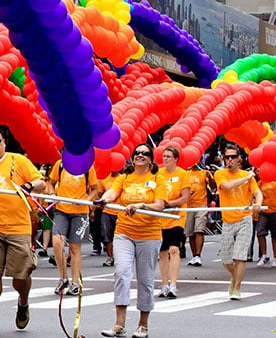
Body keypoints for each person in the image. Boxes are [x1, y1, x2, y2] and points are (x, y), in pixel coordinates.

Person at [0, 123, 44, 335]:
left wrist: (29, 187)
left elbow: (40, 182)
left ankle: (23, 302)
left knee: (21, 275)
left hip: (19, 227)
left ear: (4, 142)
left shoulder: (17, 161)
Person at [97, 143, 166, 338]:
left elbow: (160, 205)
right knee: (121, 273)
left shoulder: (157, 179)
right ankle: (119, 324)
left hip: (149, 235)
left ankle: (143, 325)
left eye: (145, 153)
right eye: (137, 153)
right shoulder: (124, 178)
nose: (140, 156)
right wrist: (105, 198)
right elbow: (112, 192)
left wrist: (142, 204)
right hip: (124, 232)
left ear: (150, 159)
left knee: (145, 279)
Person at [47, 154, 99, 297]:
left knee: (75, 248)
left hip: (80, 212)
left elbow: (95, 189)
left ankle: (75, 282)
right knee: (57, 243)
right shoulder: (60, 164)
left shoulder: (88, 167)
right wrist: (52, 194)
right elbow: (50, 182)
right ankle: (63, 278)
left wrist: (86, 200)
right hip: (61, 210)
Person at [214, 145, 261, 300]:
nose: (229, 160)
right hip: (227, 220)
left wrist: (258, 203)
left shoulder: (247, 176)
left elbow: (257, 192)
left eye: (233, 157)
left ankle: (237, 287)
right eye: (227, 157)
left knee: (239, 256)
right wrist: (246, 178)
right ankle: (234, 277)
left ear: (238, 159)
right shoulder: (220, 174)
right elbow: (227, 187)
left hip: (244, 219)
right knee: (226, 260)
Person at [155, 145, 190, 298]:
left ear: (176, 159)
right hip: (160, 218)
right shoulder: (158, 174)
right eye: (164, 156)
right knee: (162, 252)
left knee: (173, 249)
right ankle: (164, 284)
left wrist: (169, 204)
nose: (166, 159)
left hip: (177, 217)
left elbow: (185, 198)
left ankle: (173, 284)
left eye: (169, 156)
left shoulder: (183, 174)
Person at [255, 173, 276, 266]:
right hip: (264, 210)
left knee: (275, 235)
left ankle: (275, 257)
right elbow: (255, 192)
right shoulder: (261, 182)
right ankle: (264, 255)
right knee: (260, 232)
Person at [184, 162, 210, 266]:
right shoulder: (185, 173)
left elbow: (212, 186)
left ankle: (198, 255)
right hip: (188, 205)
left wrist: (210, 177)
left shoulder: (204, 172)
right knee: (190, 232)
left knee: (199, 230)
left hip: (201, 204)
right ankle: (194, 255)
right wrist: (187, 192)